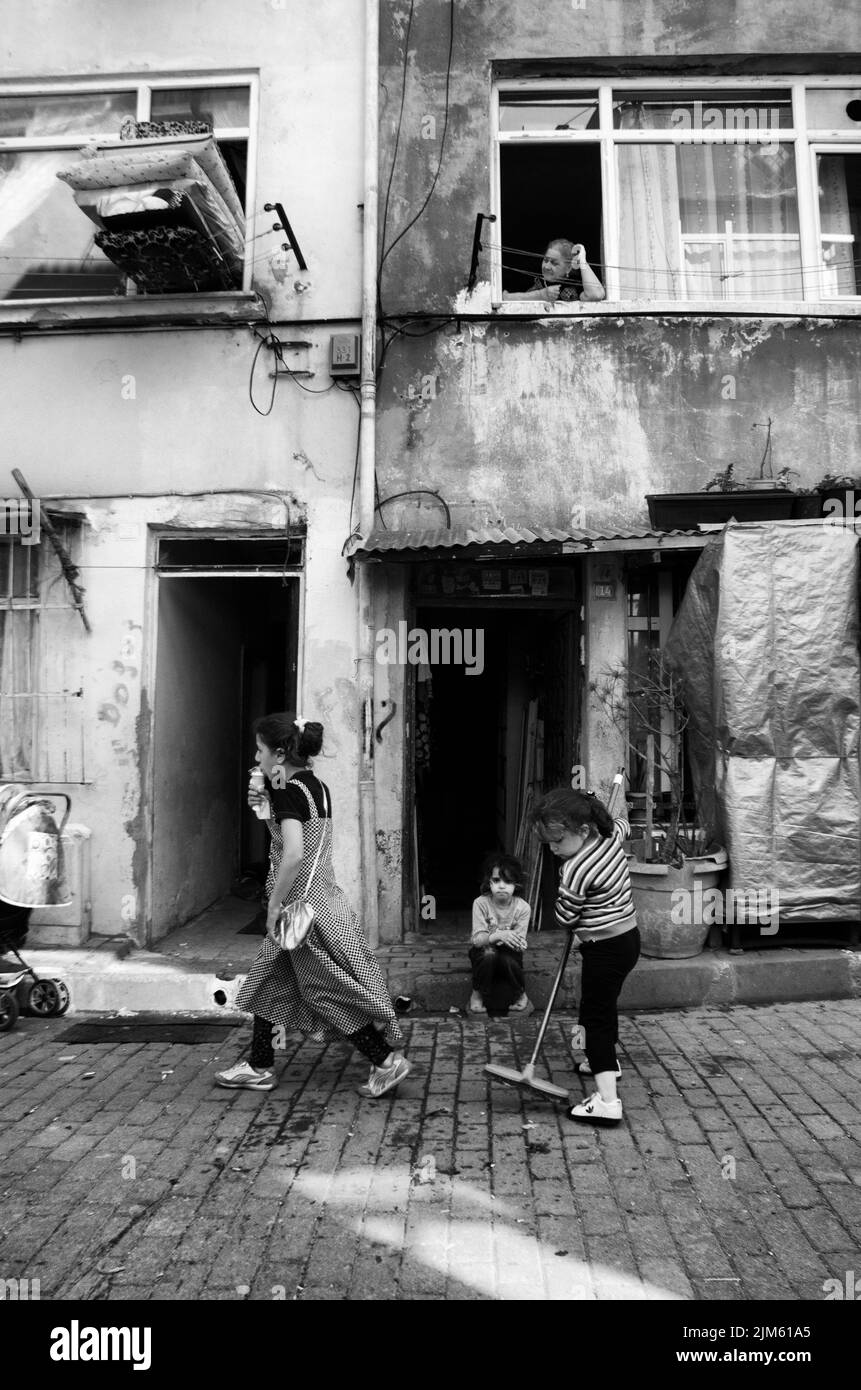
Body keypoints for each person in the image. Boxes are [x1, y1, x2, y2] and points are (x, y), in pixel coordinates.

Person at [215, 712, 410, 1099]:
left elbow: (292, 854)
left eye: (260, 750)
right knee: (271, 981)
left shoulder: (287, 788)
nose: (257, 757)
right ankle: (258, 1065)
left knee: (323, 990)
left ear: (280, 752)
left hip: (298, 910)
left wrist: (272, 906)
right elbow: (301, 829)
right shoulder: (314, 785)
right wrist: (267, 803)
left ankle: (387, 1061)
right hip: (322, 898)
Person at [531, 788, 639, 1126]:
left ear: (583, 830)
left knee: (595, 1021)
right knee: (602, 1008)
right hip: (627, 941)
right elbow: (624, 824)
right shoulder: (610, 838)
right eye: (548, 842)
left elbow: (565, 917)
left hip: (604, 950)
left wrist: (561, 904)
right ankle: (604, 1062)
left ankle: (607, 1102)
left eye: (558, 841)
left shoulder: (576, 870)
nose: (553, 849)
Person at [469, 853, 531, 1015]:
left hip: (509, 951)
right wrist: (498, 936)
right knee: (489, 954)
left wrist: (519, 943)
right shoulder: (480, 903)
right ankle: (477, 993)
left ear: (516, 884)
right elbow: (477, 940)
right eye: (496, 880)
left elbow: (518, 943)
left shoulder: (523, 908)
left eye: (508, 881)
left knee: (508, 959)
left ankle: (520, 994)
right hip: (485, 949)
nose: (502, 886)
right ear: (489, 882)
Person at [503, 238, 605, 303]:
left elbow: (596, 295)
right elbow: (505, 298)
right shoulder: (534, 278)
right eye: (545, 260)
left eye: (554, 263)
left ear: (568, 268)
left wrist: (582, 261)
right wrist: (540, 295)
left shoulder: (577, 285)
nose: (546, 267)